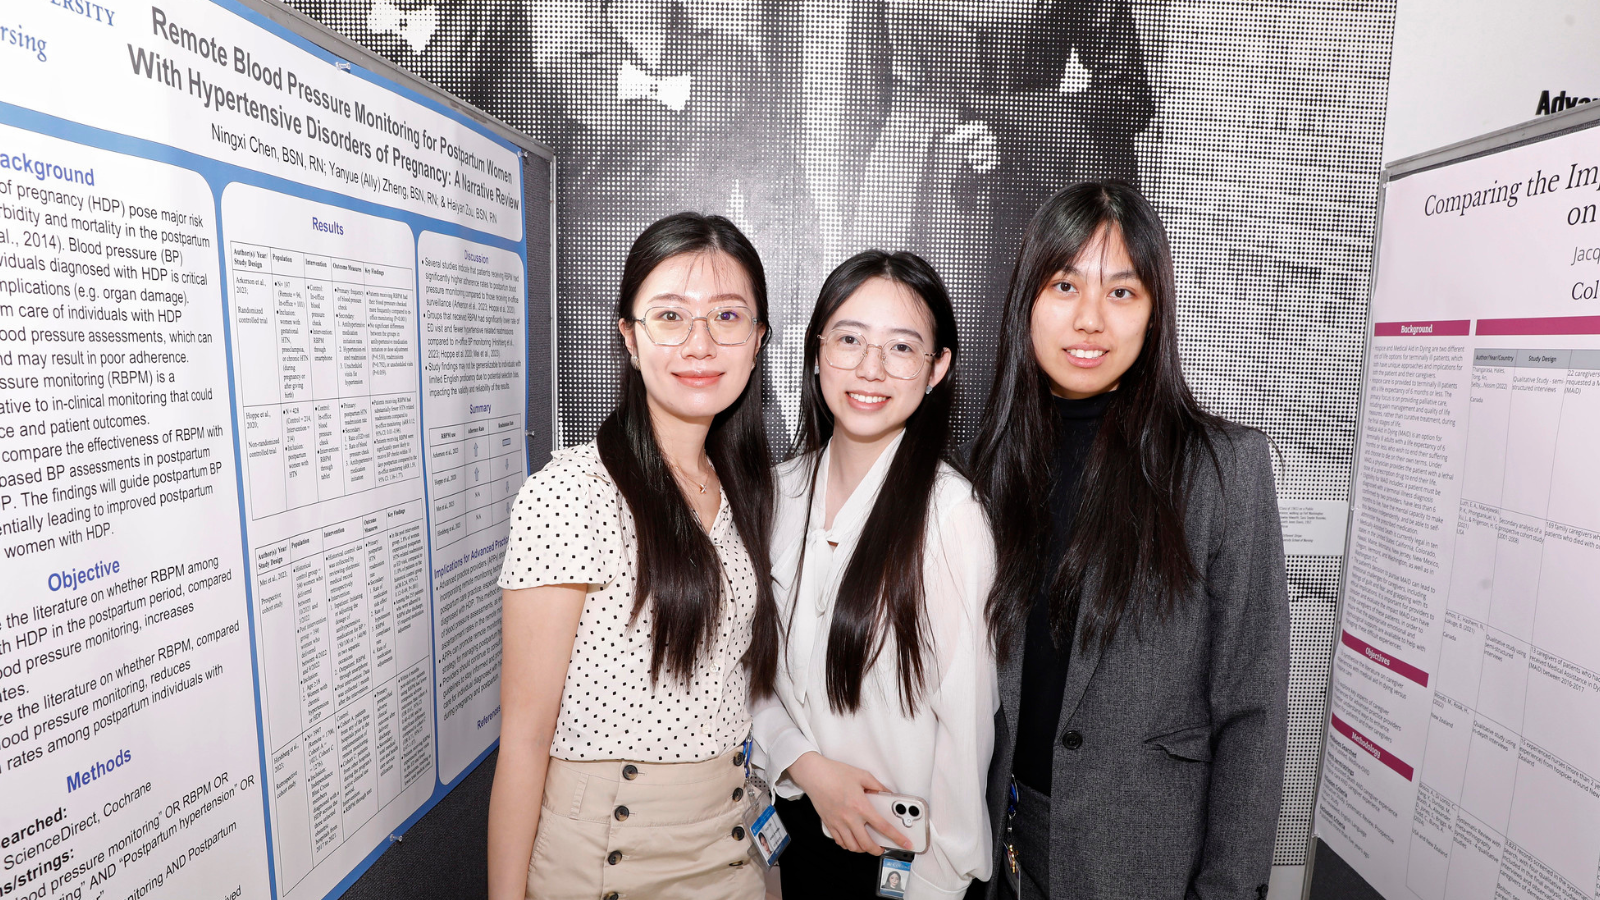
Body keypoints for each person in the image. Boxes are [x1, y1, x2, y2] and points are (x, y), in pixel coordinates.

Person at [966, 182, 1289, 900]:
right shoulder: (990, 469)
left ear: (1153, 313)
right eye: (1064, 284)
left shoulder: (1222, 469)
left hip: (1148, 859)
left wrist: (1228, 891)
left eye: (1121, 292)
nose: (1089, 319)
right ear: (1027, 303)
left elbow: (1253, 710)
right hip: (1005, 848)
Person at [488, 213, 778, 900]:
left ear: (758, 339)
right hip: (608, 856)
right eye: (670, 316)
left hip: (735, 845)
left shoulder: (747, 489)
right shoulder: (569, 494)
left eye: (727, 316)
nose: (700, 343)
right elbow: (524, 741)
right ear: (628, 334)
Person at [752, 251, 997, 899]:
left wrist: (938, 884)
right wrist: (808, 768)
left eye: (901, 347)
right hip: (798, 836)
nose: (870, 368)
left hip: (906, 869)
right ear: (816, 351)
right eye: (850, 339)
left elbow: (967, 732)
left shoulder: (952, 517)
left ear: (937, 368)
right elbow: (744, 672)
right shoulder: (775, 495)